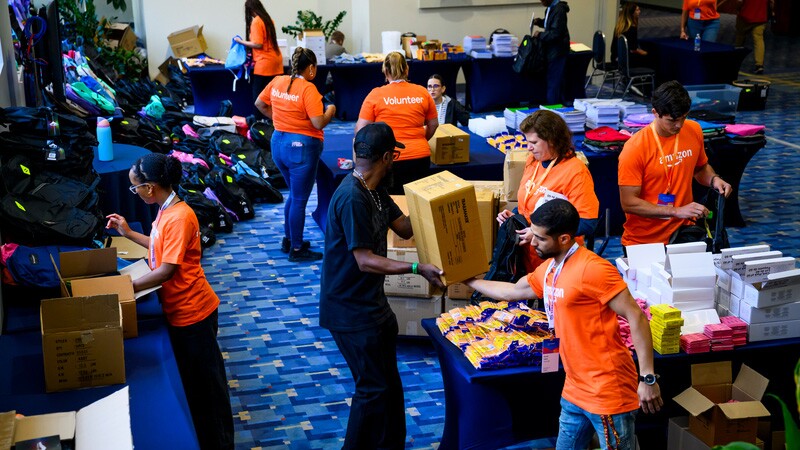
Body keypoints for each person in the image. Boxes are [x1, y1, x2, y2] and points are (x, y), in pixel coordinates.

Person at [465, 199, 662, 450]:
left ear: (565, 239)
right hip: (574, 387)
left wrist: (647, 378)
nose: (532, 242)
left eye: (540, 238)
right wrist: (468, 280)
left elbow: (636, 317)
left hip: (608, 390)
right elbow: (514, 290)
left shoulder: (594, 270)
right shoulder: (550, 268)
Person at [319, 122, 445, 449]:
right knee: (371, 389)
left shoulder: (375, 191)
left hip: (373, 307)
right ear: (389, 156)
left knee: (389, 384)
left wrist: (439, 207)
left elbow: (404, 228)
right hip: (349, 312)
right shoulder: (351, 197)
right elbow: (365, 259)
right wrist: (416, 267)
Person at [105, 153, 234, 450]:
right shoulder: (166, 208)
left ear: (150, 188)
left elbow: (166, 269)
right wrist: (128, 232)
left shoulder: (179, 216)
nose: (134, 193)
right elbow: (161, 248)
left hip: (194, 313)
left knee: (209, 392)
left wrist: (125, 287)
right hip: (181, 309)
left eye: (135, 188)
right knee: (197, 387)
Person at [618, 80, 733, 247]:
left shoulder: (693, 130)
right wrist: (676, 211)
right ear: (655, 113)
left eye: (683, 117)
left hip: (684, 233)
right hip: (644, 242)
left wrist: (714, 180)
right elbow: (628, 202)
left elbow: (700, 169)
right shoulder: (635, 149)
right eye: (672, 120)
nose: (679, 125)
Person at [256, 47, 336, 262]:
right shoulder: (308, 89)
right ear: (310, 68)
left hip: (278, 144)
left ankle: (289, 240)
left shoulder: (277, 81)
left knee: (293, 195)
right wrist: (331, 110)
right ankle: (298, 249)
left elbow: (260, 104)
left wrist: (281, 119)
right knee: (299, 199)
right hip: (300, 148)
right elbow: (318, 122)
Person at [496, 109, 598, 272]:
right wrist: (514, 216)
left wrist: (537, 234)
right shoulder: (533, 161)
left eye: (534, 143)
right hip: (528, 256)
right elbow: (529, 202)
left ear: (552, 140)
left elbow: (587, 223)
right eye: (527, 141)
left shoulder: (575, 172)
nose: (529, 148)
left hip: (557, 263)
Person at [355, 51, 438, 194]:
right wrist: (419, 139)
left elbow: (361, 130)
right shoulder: (422, 92)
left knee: (393, 204)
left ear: (385, 71)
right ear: (407, 69)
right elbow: (433, 124)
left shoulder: (376, 94)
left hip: (390, 158)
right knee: (418, 202)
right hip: (421, 156)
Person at [235, 0, 283, 121]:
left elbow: (257, 44)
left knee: (259, 98)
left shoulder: (256, 21)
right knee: (274, 96)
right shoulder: (268, 20)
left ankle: (257, 123)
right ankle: (275, 122)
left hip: (264, 64)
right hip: (276, 61)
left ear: (250, 9)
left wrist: (239, 41)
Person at [533, 0, 571, 105]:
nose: (540, 1)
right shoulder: (550, 9)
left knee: (553, 83)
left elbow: (556, 33)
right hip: (551, 51)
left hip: (557, 52)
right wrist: (539, 22)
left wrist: (540, 35)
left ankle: (553, 109)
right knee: (554, 82)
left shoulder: (559, 10)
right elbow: (549, 23)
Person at [735, 0, 775, 74]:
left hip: (745, 16)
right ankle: (759, 65)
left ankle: (735, 60)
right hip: (761, 17)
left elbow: (739, 1)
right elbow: (772, 2)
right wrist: (772, 12)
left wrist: (738, 10)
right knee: (758, 39)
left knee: (740, 36)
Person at [611, 2, 648, 66]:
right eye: (637, 10)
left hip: (615, 57)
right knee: (649, 56)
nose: (640, 11)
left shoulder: (619, 26)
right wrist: (644, 53)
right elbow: (633, 48)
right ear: (632, 13)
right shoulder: (631, 28)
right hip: (626, 60)